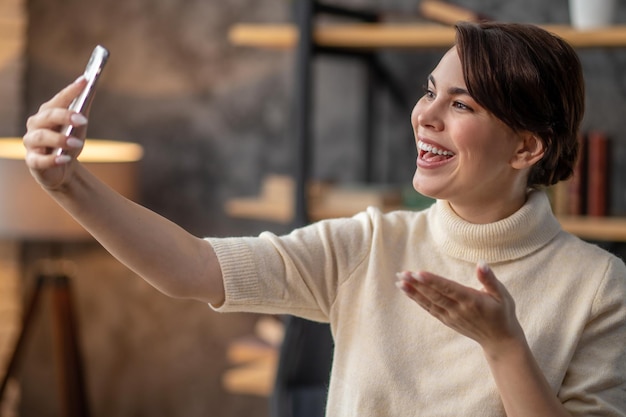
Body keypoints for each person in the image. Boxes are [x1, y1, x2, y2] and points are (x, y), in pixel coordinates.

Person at [23, 21, 626, 417]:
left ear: (526, 149)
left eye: (461, 104)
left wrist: (504, 347)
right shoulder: (370, 243)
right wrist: (68, 183)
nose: (425, 116)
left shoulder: (599, 288)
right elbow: (192, 267)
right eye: (430, 91)